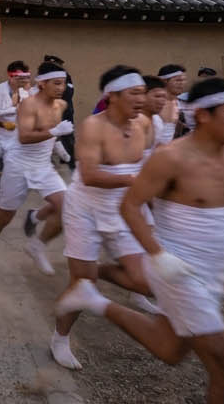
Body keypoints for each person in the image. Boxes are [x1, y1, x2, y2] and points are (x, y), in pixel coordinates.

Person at [56, 78, 224, 404]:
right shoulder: (170, 158)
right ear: (202, 115)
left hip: (212, 270)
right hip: (177, 268)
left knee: (170, 349)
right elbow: (130, 206)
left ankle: (94, 299)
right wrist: (157, 254)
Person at [48, 65, 157, 369]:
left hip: (123, 208)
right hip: (86, 208)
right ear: (112, 96)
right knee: (81, 283)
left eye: (143, 93)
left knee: (143, 282)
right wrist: (136, 181)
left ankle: (98, 273)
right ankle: (60, 338)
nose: (141, 99)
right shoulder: (93, 126)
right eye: (134, 93)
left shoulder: (145, 124)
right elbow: (91, 174)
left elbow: (150, 163)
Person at [0, 61, 70, 276]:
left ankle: (36, 243)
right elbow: (25, 136)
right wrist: (56, 131)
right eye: (56, 83)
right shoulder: (29, 105)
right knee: (4, 217)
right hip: (18, 164)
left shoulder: (61, 105)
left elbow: (53, 133)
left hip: (43, 166)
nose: (61, 88)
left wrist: (62, 150)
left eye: (63, 83)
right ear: (42, 83)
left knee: (67, 207)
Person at [0, 61, 34, 209]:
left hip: (13, 135)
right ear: (11, 77)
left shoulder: (24, 92)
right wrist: (15, 109)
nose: (22, 81)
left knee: (6, 167)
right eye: (19, 78)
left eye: (24, 78)